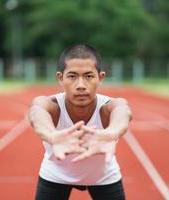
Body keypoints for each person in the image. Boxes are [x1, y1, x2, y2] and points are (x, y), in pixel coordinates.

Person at [28, 44, 132, 200]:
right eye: (72, 76)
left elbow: (123, 112)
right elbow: (37, 112)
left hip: (103, 177)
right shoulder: (52, 106)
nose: (81, 85)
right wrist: (51, 136)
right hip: (56, 174)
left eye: (89, 76)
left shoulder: (107, 107)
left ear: (100, 78)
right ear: (60, 78)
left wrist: (111, 133)